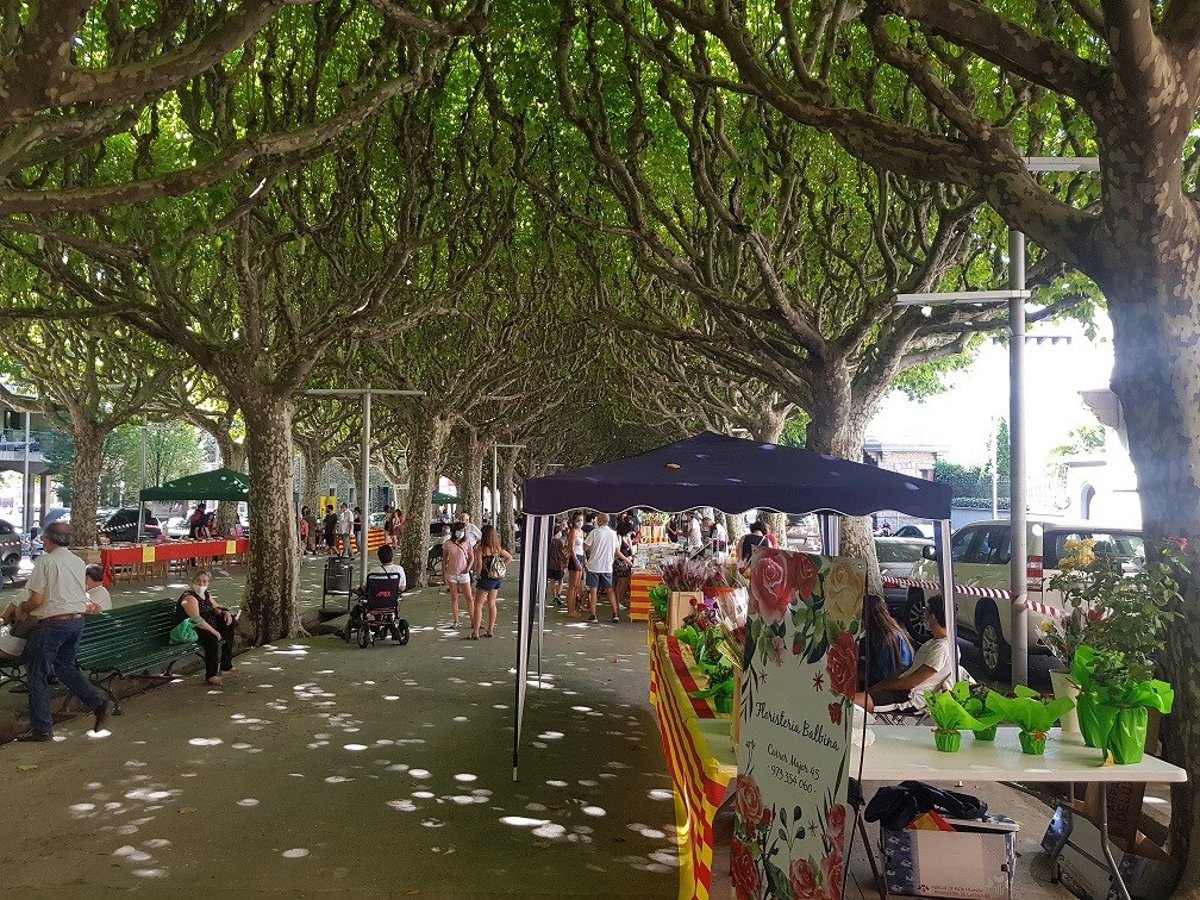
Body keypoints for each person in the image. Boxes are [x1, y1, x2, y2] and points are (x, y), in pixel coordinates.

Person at [12, 521, 111, 742]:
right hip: (76, 621)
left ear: (47, 540)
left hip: (53, 623)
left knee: (36, 674)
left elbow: (37, 599)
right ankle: (97, 704)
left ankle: (42, 728)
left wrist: (22, 608)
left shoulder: (45, 561)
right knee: (64, 667)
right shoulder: (78, 561)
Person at [853, 595, 954, 711]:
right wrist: (880, 686)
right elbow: (906, 671)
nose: (923, 616)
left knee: (848, 701)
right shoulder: (932, 643)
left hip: (909, 696)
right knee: (848, 698)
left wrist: (883, 687)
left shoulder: (942, 648)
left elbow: (912, 682)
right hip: (900, 689)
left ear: (933, 617)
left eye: (925, 611)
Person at [176, 570, 238, 686]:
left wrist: (226, 612)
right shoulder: (189, 597)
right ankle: (211, 675)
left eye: (204, 581)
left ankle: (226, 665)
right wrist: (214, 632)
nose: (201, 584)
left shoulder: (206, 595)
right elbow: (196, 619)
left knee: (229, 626)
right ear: (193, 582)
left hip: (209, 623)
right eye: (198, 581)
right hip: (193, 627)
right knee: (212, 638)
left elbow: (217, 606)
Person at [584, 513, 630, 624]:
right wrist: (627, 560)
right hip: (607, 566)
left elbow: (585, 547)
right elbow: (617, 551)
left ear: (599, 521)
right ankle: (615, 614)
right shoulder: (613, 534)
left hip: (594, 565)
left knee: (593, 590)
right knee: (610, 590)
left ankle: (593, 615)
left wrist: (589, 552)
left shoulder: (594, 532)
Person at [859, 594, 913, 687]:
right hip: (896, 682)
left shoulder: (883, 638)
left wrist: (861, 669)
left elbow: (884, 674)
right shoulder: (893, 630)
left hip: (885, 686)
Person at [470, 524, 513, 640]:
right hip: (496, 579)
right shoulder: (497, 547)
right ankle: (490, 629)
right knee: (492, 603)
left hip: (486, 578)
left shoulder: (481, 548)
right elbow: (509, 557)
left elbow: (479, 565)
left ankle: (476, 632)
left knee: (478, 605)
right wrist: (501, 566)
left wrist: (477, 576)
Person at [442, 525, 473, 627]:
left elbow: (471, 557)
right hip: (451, 573)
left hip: (463, 574)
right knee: (454, 597)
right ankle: (456, 620)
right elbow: (444, 559)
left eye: (462, 530)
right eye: (459, 530)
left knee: (469, 598)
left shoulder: (467, 543)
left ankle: (474, 620)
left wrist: (468, 568)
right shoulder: (448, 543)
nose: (460, 532)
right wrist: (444, 574)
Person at [563, 513, 586, 618]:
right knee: (572, 587)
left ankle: (573, 608)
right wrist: (576, 562)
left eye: (581, 520)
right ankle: (570, 610)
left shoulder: (581, 532)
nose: (580, 522)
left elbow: (582, 548)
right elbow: (571, 548)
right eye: (578, 520)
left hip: (580, 557)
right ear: (574, 521)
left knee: (577, 586)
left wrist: (584, 560)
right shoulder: (573, 531)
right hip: (575, 558)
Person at [612, 520, 636, 610]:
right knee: (623, 582)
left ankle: (619, 600)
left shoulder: (626, 537)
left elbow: (629, 549)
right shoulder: (619, 537)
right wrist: (626, 560)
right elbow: (617, 552)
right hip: (620, 563)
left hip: (626, 561)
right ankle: (618, 601)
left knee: (622, 583)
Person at [547, 521, 570, 608]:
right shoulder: (560, 542)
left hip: (550, 564)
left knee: (552, 580)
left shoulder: (549, 541)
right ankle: (559, 594)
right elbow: (563, 552)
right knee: (560, 580)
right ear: (558, 532)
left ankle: (554, 596)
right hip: (559, 564)